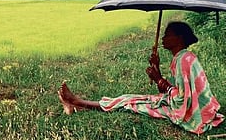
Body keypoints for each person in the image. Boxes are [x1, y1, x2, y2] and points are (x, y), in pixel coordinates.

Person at [58, 21, 224, 134]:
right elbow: (169, 91)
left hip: (193, 113)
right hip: (185, 106)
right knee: (129, 99)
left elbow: (182, 100)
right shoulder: (181, 58)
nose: (163, 38)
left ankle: (77, 102)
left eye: (167, 35)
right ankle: (76, 104)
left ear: (179, 38)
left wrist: (159, 78)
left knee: (129, 103)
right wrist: (157, 68)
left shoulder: (184, 60)